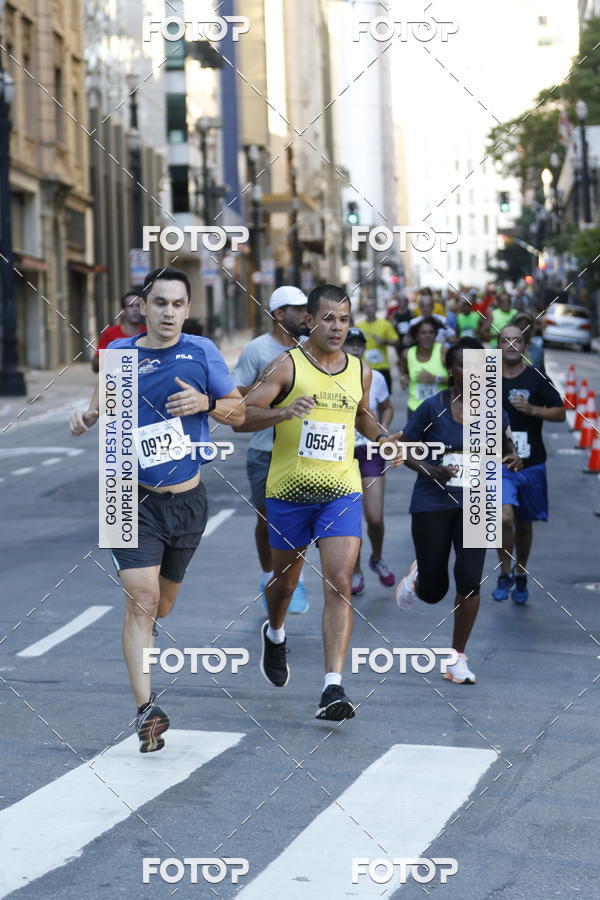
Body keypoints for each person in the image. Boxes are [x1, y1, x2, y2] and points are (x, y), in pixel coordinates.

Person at [70, 267, 245, 752]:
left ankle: (148, 663)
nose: (169, 312)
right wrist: (85, 417)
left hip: (187, 500)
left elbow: (239, 412)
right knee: (140, 601)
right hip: (127, 493)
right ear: (141, 307)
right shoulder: (120, 355)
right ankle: (146, 710)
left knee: (162, 605)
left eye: (177, 304)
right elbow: (98, 405)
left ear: (187, 310)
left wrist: (205, 402)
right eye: (160, 303)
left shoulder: (202, 352)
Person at [237, 284, 403, 720]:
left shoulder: (360, 370)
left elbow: (362, 417)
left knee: (340, 581)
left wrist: (384, 439)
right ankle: (275, 633)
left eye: (344, 319)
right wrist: (281, 412)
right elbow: (241, 416)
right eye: (328, 318)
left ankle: (333, 686)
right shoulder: (286, 366)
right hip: (289, 493)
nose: (337, 327)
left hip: (340, 491)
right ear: (310, 320)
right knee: (285, 584)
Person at [395, 338, 521, 684]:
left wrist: (511, 456)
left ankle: (456, 658)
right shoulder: (431, 407)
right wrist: (431, 470)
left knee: (469, 580)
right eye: (465, 365)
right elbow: (402, 449)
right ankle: (420, 574)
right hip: (432, 501)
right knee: (434, 592)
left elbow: (507, 443)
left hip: (477, 500)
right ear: (452, 369)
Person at [232, 285, 309, 613]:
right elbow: (237, 396)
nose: (306, 314)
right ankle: (268, 576)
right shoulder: (257, 350)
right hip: (265, 449)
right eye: (298, 308)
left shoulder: (310, 349)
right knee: (267, 522)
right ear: (279, 314)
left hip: (302, 451)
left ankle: (296, 580)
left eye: (308, 308)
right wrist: (270, 386)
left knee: (299, 523)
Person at [491, 324, 565, 604]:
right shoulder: (486, 379)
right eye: (505, 340)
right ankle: (504, 571)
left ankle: (521, 572)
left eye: (517, 340)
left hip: (532, 464)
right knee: (503, 517)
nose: (511, 345)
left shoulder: (536, 378)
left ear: (524, 346)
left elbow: (561, 413)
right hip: (500, 464)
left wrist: (533, 410)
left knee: (524, 524)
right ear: (498, 345)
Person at [343, 328, 395, 595]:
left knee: (374, 517)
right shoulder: (333, 376)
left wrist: (382, 432)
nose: (354, 348)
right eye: (349, 344)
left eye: (358, 344)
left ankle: (376, 558)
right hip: (342, 452)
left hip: (370, 451)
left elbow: (387, 406)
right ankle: (356, 570)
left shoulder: (374, 376)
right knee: (351, 518)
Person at [400, 317, 448, 417]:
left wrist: (435, 378)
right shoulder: (407, 354)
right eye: (423, 333)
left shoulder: (443, 351)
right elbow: (405, 374)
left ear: (435, 335)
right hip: (415, 409)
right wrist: (404, 379)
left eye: (431, 332)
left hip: (440, 410)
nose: (428, 336)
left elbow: (457, 380)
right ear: (417, 336)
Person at [92, 289, 145, 373]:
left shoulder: (148, 333)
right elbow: (95, 366)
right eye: (131, 306)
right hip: (119, 382)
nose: (135, 309)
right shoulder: (110, 333)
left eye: (138, 306)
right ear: (123, 311)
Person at [358, 297, 399, 393]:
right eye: (366, 307)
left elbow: (397, 342)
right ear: (363, 309)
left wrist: (385, 341)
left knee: (384, 401)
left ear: (376, 308)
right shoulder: (359, 326)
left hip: (382, 368)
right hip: (365, 369)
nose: (369, 309)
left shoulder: (385, 324)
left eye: (372, 306)